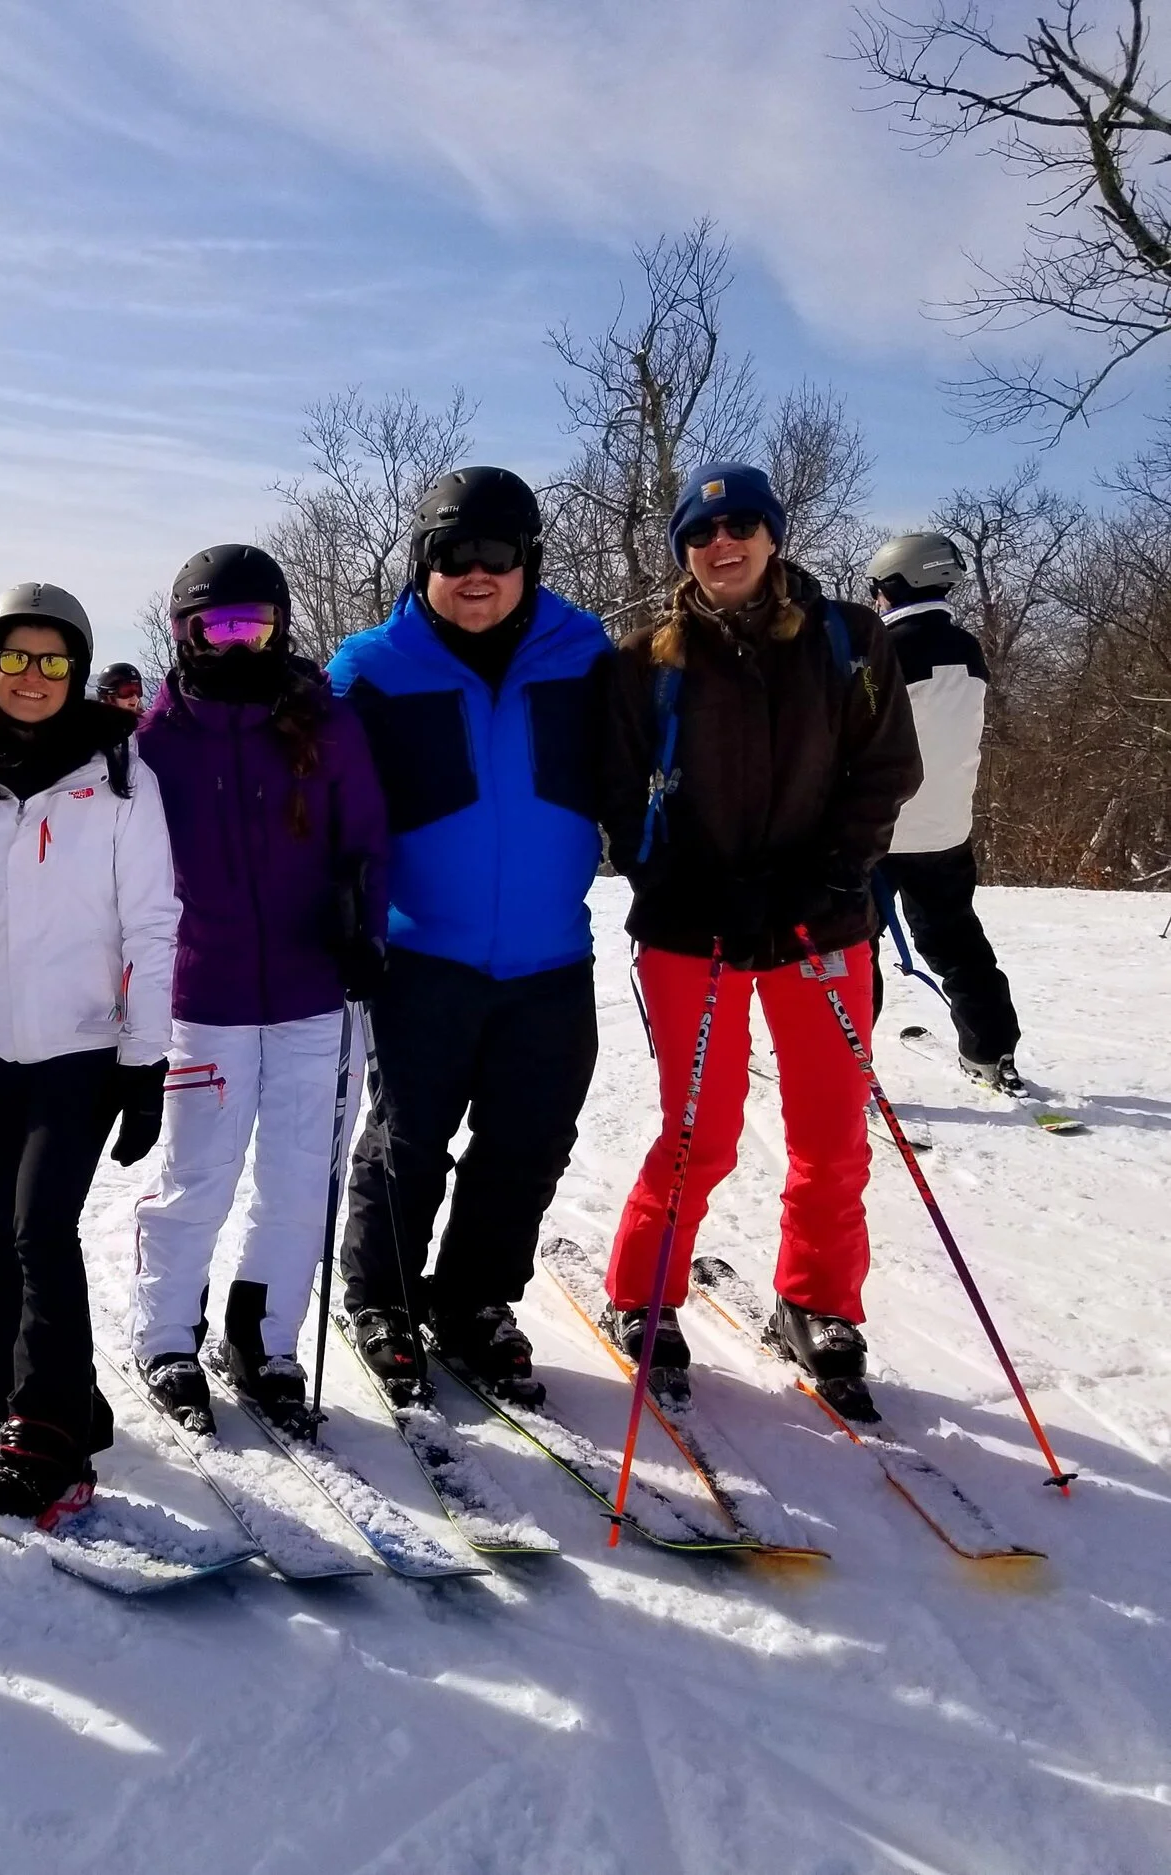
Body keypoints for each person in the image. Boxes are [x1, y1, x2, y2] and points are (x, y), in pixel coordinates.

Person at [597, 464, 921, 1401]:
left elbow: (886, 767)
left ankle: (818, 1299)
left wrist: (833, 875)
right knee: (701, 1126)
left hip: (820, 919)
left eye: (740, 524)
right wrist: (676, 882)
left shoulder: (847, 638)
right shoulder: (646, 660)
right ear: (684, 552)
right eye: (701, 533)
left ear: (774, 535)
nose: (721, 543)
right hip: (692, 927)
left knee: (832, 1128)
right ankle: (643, 1291)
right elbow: (617, 794)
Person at [326, 467, 611, 1406]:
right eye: (452, 554)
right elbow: (318, 803)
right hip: (421, 956)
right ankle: (381, 1299)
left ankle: (473, 1300)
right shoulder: (371, 668)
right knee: (408, 1140)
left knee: (528, 1142)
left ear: (530, 560)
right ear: (424, 563)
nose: (475, 573)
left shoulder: (585, 653)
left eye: (496, 552)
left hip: (551, 957)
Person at [0, 584, 179, 1519]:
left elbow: (152, 924)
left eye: (53, 660)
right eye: (15, 658)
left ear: (77, 671)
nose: (33, 676)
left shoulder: (122, 776)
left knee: (39, 1227)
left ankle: (52, 1430)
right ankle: (5, 1382)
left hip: (81, 1049)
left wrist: (145, 1062)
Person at [129, 544, 389, 1433]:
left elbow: (368, 840)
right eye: (218, 626)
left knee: (299, 1177)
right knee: (197, 1175)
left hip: (317, 990)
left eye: (255, 624)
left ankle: (265, 1337)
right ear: (184, 633)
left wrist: (367, 932)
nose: (238, 643)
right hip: (206, 999)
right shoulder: (154, 746)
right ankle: (168, 1336)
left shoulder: (326, 724)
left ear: (280, 627)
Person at [866, 530, 1027, 1091]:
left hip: (879, 831)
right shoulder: (968, 649)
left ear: (894, 584)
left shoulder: (881, 650)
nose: (875, 599)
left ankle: (842, 1061)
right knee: (957, 941)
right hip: (946, 829)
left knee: (852, 948)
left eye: (877, 588)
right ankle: (992, 1051)